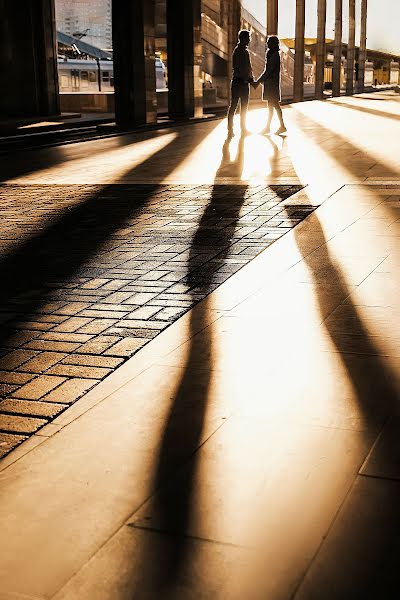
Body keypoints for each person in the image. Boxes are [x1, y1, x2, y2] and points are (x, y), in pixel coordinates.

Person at [255, 36, 287, 135]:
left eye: (269, 42)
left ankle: (281, 126)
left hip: (272, 84)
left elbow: (268, 71)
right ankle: (269, 127)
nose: (267, 44)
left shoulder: (274, 55)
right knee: (271, 106)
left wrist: (258, 81)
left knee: (275, 105)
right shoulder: (271, 54)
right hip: (270, 84)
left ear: (274, 44)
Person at [227, 29, 255, 138]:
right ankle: (232, 129)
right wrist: (250, 80)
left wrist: (250, 79)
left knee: (240, 106)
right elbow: (241, 69)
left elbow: (248, 69)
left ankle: (241, 128)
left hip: (241, 82)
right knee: (236, 106)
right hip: (239, 82)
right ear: (243, 38)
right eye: (248, 38)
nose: (249, 40)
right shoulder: (239, 51)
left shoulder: (242, 51)